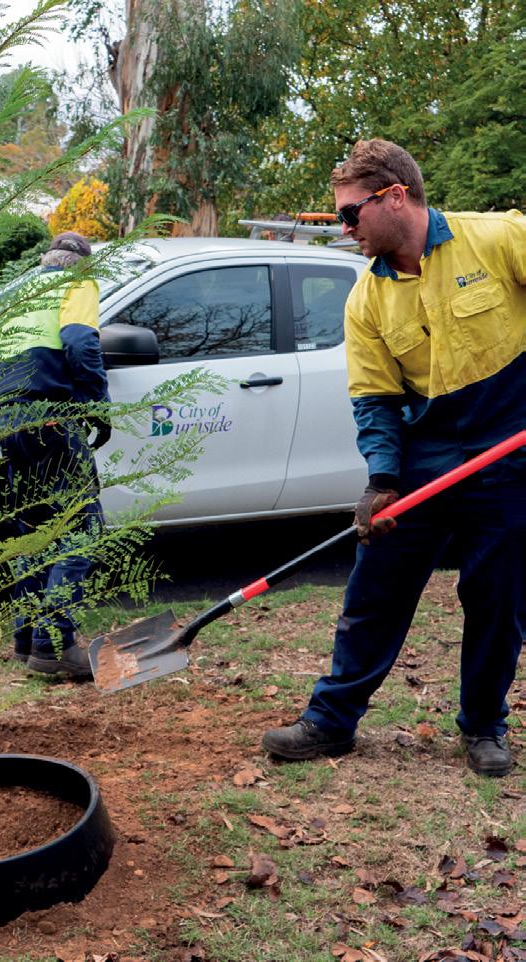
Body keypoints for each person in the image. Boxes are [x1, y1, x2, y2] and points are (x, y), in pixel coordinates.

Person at [263, 139, 526, 777]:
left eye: (350, 214)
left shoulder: (498, 239)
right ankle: (331, 721)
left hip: (509, 449)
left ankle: (483, 726)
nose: (344, 228)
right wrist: (382, 478)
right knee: (375, 588)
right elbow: (375, 399)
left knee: (497, 597)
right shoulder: (366, 300)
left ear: (396, 197)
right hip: (426, 452)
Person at [0, 231, 111, 679]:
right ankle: (54, 645)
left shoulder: (21, 295)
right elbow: (80, 342)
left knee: (36, 533)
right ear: (83, 263)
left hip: (11, 422)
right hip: (51, 420)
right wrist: (97, 406)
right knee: (81, 528)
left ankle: (26, 641)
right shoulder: (77, 283)